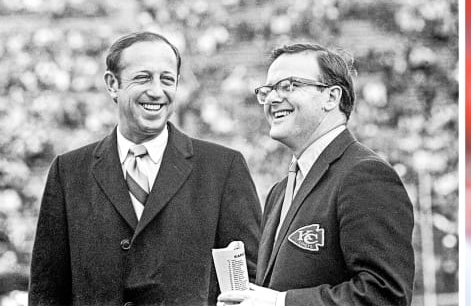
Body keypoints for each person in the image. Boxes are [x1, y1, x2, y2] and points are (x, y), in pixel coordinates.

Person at [29, 31, 262, 306]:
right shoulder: (68, 171)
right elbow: (47, 290)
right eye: (142, 77)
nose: (156, 91)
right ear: (112, 84)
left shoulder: (223, 167)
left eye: (167, 79)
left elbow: (251, 282)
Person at [219, 43, 415, 306]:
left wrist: (280, 303)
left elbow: (385, 295)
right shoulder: (280, 190)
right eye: (267, 90)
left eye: (288, 85)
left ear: (331, 97)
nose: (272, 99)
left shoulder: (365, 175)